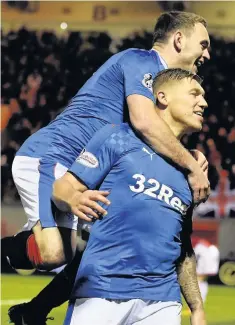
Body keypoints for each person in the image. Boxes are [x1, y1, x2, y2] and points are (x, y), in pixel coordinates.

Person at [7, 11, 210, 324]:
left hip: (82, 168)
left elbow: (159, 130)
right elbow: (144, 122)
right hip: (51, 157)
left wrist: (191, 153)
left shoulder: (156, 86)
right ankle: (30, 299)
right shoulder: (142, 60)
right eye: (203, 44)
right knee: (53, 255)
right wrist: (192, 166)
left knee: (83, 253)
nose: (207, 54)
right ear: (179, 40)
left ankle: (32, 310)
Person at [56, 68, 208, 325]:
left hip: (162, 301)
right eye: (194, 94)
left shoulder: (191, 170)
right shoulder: (118, 137)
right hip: (101, 291)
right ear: (162, 97)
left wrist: (197, 308)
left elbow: (182, 247)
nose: (203, 102)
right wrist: (72, 198)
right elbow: (61, 189)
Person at [193, 238, 220, 302]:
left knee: (198, 283)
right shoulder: (213, 248)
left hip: (204, 269)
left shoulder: (200, 247)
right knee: (202, 283)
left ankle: (198, 303)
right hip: (210, 269)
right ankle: (200, 302)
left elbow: (194, 255)